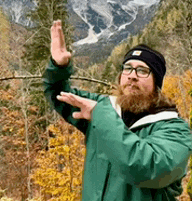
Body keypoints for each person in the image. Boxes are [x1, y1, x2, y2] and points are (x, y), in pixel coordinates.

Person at [42, 20, 192, 201]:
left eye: (142, 70)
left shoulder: (177, 131)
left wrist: (100, 115)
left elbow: (146, 168)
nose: (132, 76)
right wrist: (58, 68)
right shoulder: (105, 107)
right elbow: (60, 95)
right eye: (127, 68)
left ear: (156, 83)